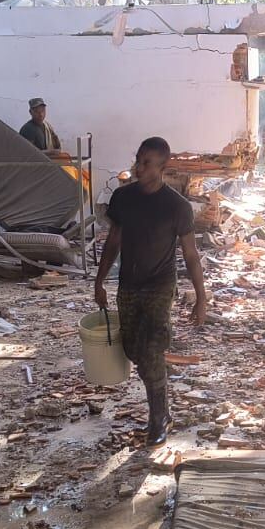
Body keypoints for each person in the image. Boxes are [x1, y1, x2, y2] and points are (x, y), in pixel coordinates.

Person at [94, 137, 208, 445]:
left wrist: (201, 297)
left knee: (151, 350)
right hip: (129, 283)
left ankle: (159, 418)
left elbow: (191, 254)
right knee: (133, 349)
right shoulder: (123, 198)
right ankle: (160, 395)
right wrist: (99, 281)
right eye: (138, 160)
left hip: (160, 284)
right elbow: (113, 241)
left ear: (162, 167)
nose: (139, 168)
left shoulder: (177, 206)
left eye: (146, 163)